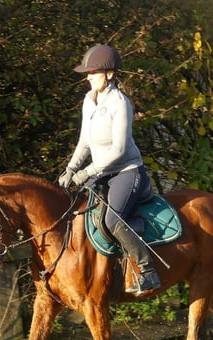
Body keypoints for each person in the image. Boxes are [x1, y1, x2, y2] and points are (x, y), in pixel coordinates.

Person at [58, 44, 161, 294]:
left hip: (127, 172)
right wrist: (70, 169)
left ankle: (148, 272)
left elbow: (119, 150)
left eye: (93, 72)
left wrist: (87, 172)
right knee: (78, 212)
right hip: (102, 173)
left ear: (110, 74)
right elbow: (84, 141)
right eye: (88, 72)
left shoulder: (120, 103)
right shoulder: (89, 100)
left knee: (112, 220)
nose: (88, 76)